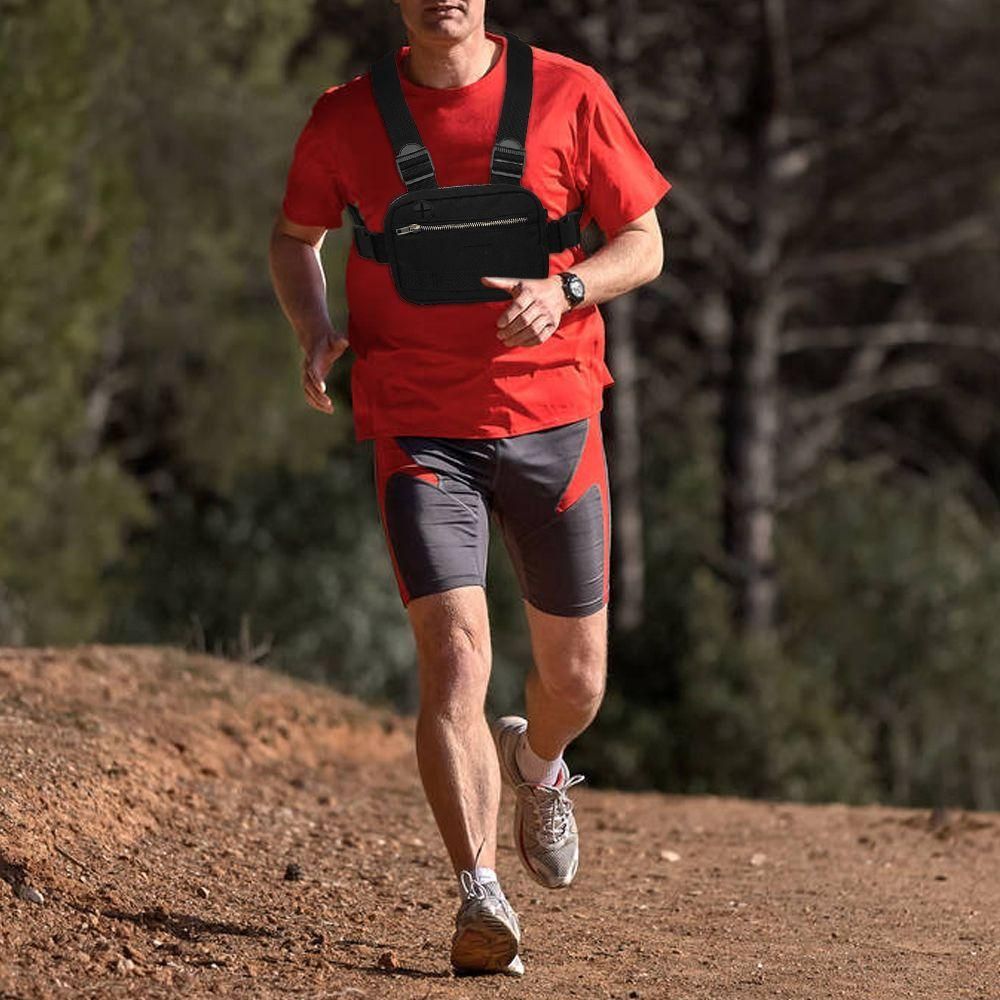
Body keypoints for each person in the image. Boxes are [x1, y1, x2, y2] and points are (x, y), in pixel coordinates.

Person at [269, 0, 670, 978]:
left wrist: (566, 290)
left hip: (554, 421)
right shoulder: (346, 115)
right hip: (418, 428)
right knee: (453, 656)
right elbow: (294, 238)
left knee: (577, 682)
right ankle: (480, 894)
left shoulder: (571, 94)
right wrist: (313, 329)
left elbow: (644, 240)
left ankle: (539, 762)